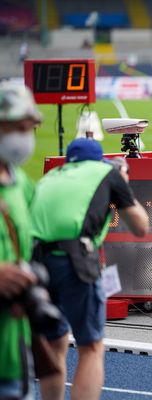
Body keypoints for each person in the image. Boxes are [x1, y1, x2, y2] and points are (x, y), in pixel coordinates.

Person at [32, 138, 149, 400]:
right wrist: (123, 187)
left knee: (54, 342)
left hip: (35, 264)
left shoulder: (51, 177)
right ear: (98, 160)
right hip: (76, 262)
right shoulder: (107, 173)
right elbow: (141, 226)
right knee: (91, 347)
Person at [0, 83, 42, 400]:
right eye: (18, 128)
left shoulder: (22, 185)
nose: (25, 137)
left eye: (30, 128)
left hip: (14, 352)